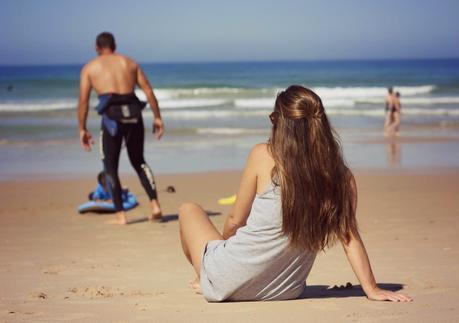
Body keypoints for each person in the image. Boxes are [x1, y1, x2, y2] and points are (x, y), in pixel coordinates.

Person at [178, 85, 413, 303]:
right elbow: (349, 237)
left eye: (273, 118)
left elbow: (235, 221)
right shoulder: (341, 177)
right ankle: (214, 276)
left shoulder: (263, 155)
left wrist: (222, 271)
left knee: (189, 209)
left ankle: (205, 278)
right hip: (285, 289)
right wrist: (371, 288)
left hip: (226, 281)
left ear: (281, 123)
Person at [78, 32, 164, 225]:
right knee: (139, 161)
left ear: (97, 48)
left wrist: (82, 129)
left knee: (110, 167)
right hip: (134, 114)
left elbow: (83, 101)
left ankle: (121, 216)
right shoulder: (131, 63)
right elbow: (148, 91)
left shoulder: (90, 68)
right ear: (114, 45)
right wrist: (158, 117)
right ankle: (155, 205)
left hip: (111, 119)